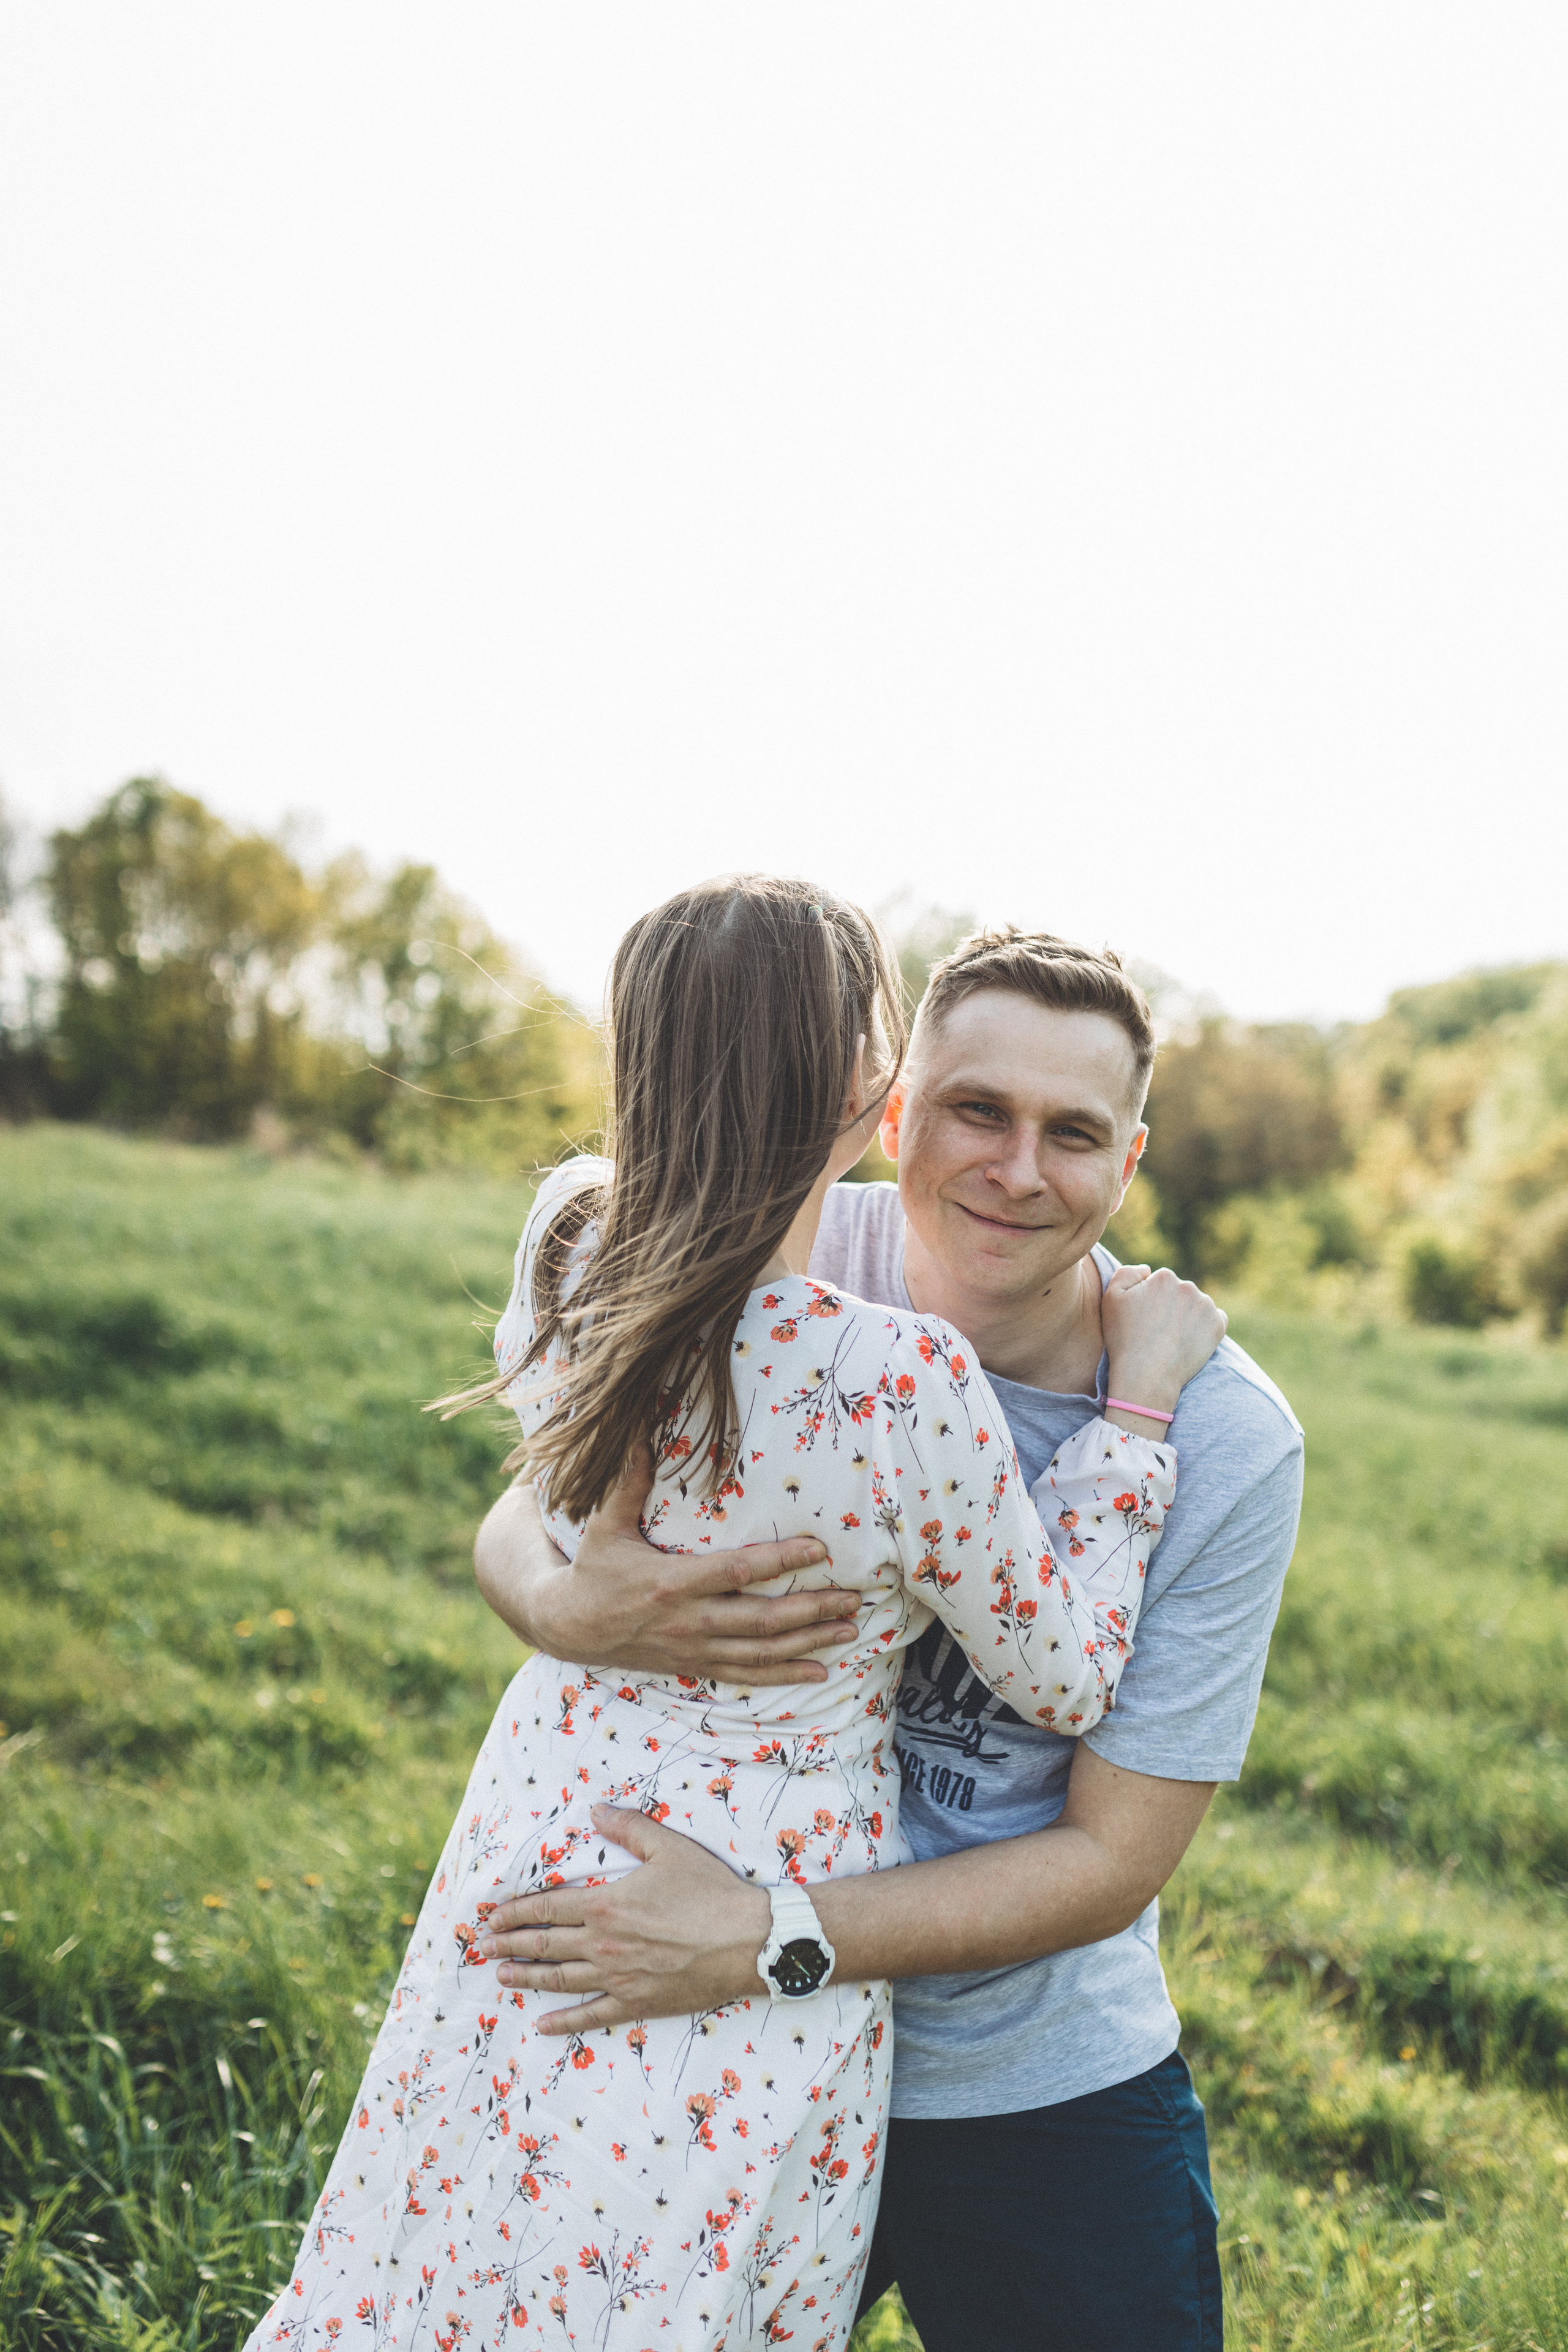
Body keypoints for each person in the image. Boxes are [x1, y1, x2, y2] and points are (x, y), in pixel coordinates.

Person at [247, 884, 1223, 2352]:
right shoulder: (892, 1381)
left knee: (458, 2263)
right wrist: (1134, 1419)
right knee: (678, 2299)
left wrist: (569, 1605)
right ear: (868, 1097)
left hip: (537, 1840)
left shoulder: (571, 1235)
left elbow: (545, 1492)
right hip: (748, 1887)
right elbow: (1072, 1676)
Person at [472, 927, 1304, 2352]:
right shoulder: (773, 1255)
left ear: (1131, 1158)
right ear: (894, 1110)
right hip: (705, 2039)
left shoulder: (1219, 1433)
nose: (1018, 1169)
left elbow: (1109, 1862)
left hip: (1022, 2079)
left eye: (1073, 1133)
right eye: (979, 1111)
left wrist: (755, 1942)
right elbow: (535, 1501)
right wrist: (555, 1605)